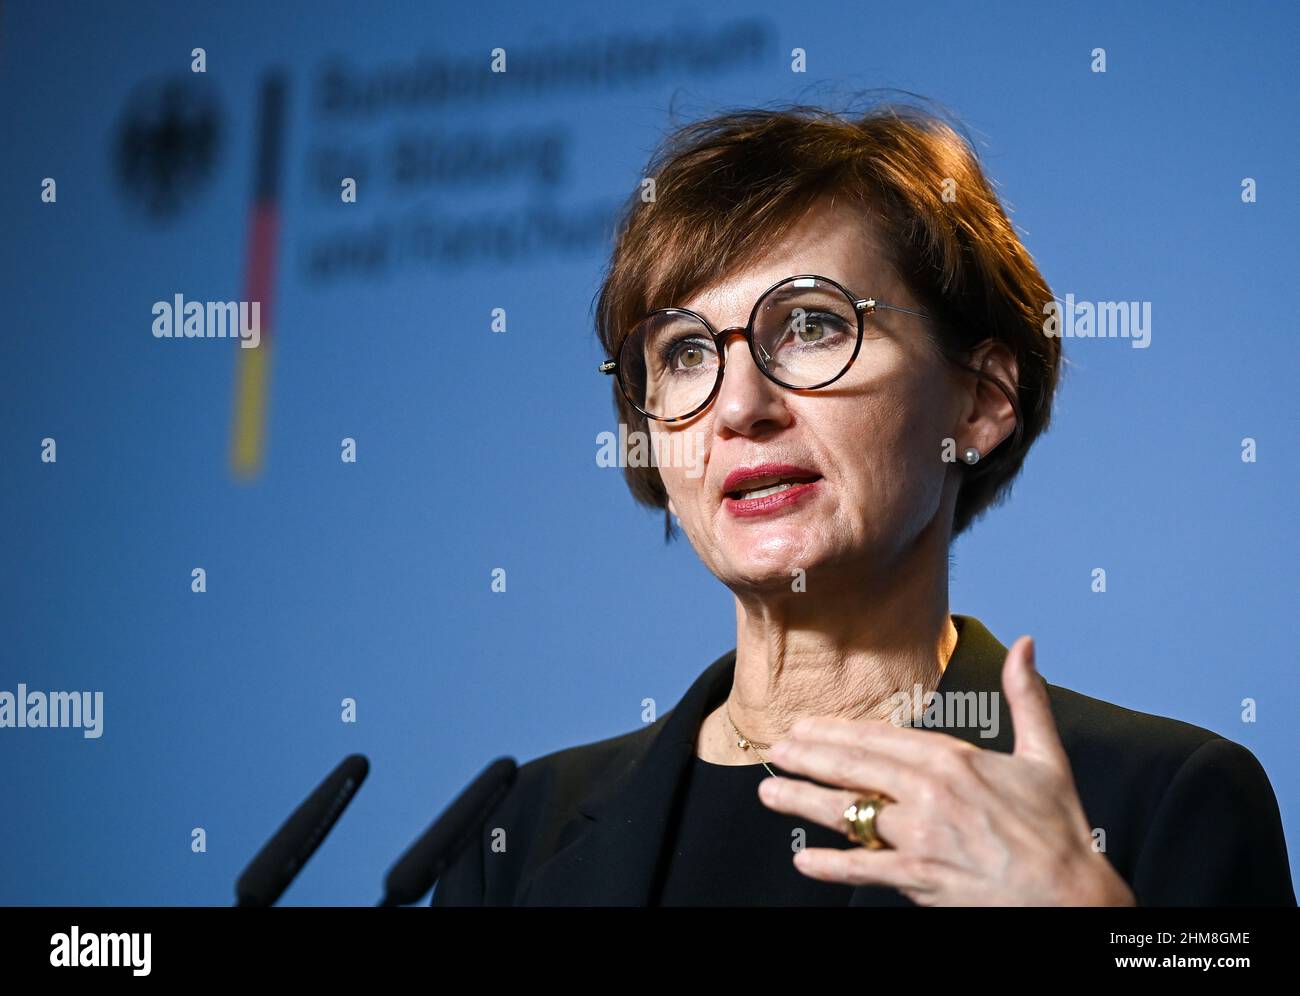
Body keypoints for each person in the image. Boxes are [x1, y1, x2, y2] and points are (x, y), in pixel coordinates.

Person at [431, 102, 1296, 906]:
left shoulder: (1162, 798)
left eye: (812, 326)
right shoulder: (516, 838)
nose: (739, 408)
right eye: (686, 352)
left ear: (979, 402)